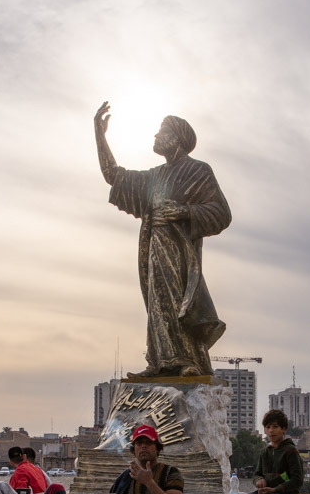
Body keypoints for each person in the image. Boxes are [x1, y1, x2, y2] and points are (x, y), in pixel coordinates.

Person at [94, 101, 231, 378]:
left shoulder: (199, 171)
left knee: (178, 304)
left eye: (161, 132)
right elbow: (114, 176)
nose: (156, 137)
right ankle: (160, 362)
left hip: (180, 251)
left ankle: (184, 360)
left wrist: (183, 211)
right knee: (157, 304)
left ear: (177, 138)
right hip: (154, 247)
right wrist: (100, 134)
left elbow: (221, 212)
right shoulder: (155, 176)